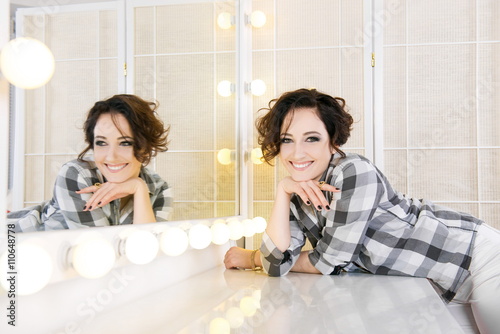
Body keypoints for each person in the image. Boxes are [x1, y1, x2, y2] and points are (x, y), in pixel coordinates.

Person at [224, 88, 500, 333]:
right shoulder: (298, 195)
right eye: (286, 139)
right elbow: (276, 267)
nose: (297, 153)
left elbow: (330, 261)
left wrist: (253, 257)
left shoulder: (353, 171)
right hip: (442, 283)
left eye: (311, 138)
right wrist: (283, 192)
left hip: (477, 258)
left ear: (334, 142)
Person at [8, 94, 173, 231]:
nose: (111, 157)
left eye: (125, 143)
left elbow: (145, 251)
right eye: (101, 143)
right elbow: (100, 250)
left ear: (145, 146)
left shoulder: (159, 189)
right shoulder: (77, 175)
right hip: (13, 249)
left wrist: (138, 188)